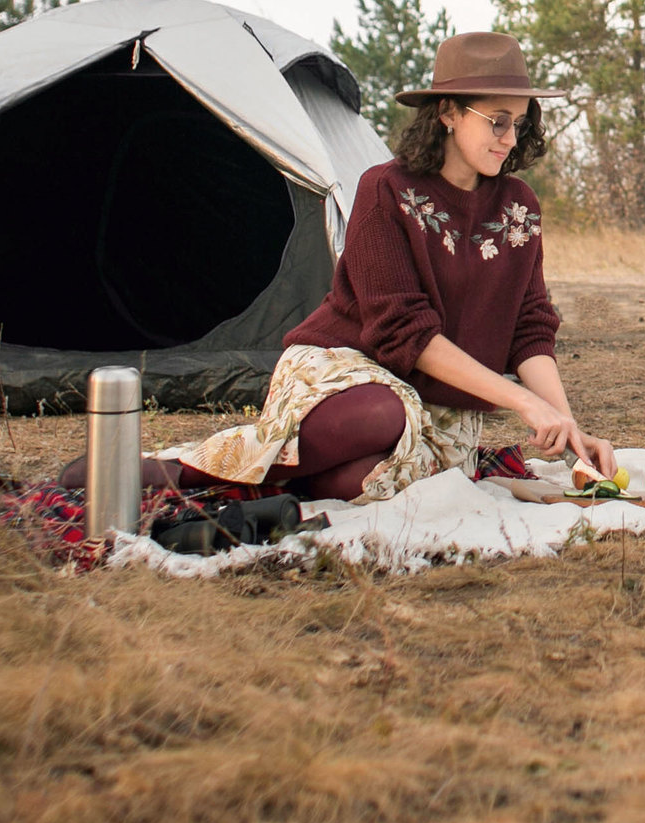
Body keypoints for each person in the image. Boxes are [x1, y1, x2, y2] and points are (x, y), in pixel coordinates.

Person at [170, 31, 616, 502]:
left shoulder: (519, 207)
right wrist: (524, 402)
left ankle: (260, 476)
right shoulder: (385, 190)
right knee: (384, 416)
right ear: (447, 112)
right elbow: (405, 332)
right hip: (348, 372)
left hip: (442, 404)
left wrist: (568, 427)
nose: (509, 139)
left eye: (519, 125)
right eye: (497, 121)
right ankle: (177, 474)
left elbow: (530, 327)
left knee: (360, 483)